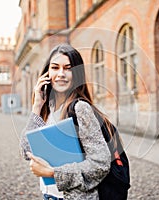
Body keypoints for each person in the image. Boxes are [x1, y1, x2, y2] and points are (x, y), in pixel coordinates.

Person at [20, 43, 112, 200]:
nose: (61, 73)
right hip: (49, 195)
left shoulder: (80, 108)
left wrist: (52, 173)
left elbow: (100, 163)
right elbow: (26, 152)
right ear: (47, 73)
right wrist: (37, 106)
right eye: (55, 68)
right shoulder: (47, 108)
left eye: (68, 68)